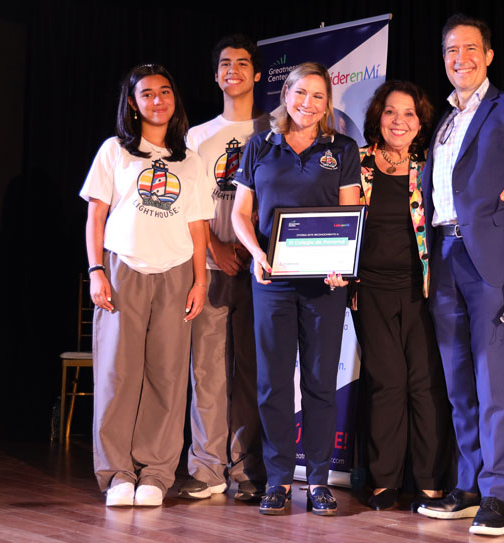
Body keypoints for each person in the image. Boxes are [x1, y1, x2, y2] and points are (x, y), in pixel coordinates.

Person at [416, 14, 504, 536]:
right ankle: (468, 486)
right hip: (444, 257)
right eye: (451, 50)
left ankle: (497, 494)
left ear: (488, 55)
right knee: (458, 383)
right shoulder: (443, 121)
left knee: (495, 382)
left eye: (470, 48)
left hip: (492, 261)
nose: (460, 58)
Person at [231, 62, 361, 516]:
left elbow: (349, 214)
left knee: (321, 382)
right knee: (273, 383)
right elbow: (240, 213)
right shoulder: (259, 146)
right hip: (272, 280)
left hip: (325, 283)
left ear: (327, 104)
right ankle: (279, 479)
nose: (308, 103)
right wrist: (256, 253)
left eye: (318, 96)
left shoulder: (342, 149)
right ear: (285, 94)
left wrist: (342, 264)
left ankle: (319, 480)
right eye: (301, 93)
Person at [80, 63, 213, 508]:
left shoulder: (190, 160)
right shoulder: (115, 151)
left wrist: (200, 279)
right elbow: (95, 216)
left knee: (168, 377)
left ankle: (155, 473)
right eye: (147, 94)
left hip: (176, 273)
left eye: (165, 92)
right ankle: (117, 473)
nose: (158, 100)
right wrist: (96, 270)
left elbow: (198, 225)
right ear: (133, 104)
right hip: (123, 269)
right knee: (117, 375)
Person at [180, 34, 270, 502]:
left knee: (252, 372)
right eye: (224, 64)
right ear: (216, 76)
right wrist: (216, 246)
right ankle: (207, 467)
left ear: (257, 73)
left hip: (259, 269)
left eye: (242, 63)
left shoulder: (274, 128)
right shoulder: (197, 136)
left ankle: (247, 468)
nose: (233, 70)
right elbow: (187, 205)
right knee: (208, 371)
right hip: (211, 268)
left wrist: (253, 250)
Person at [354, 80, 451, 511]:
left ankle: (429, 481)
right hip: (369, 289)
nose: (399, 121)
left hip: (422, 290)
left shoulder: (429, 166)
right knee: (387, 381)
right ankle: (384, 481)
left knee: (424, 383)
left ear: (420, 121)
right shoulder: (355, 163)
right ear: (378, 116)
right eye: (391, 112)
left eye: (409, 113)